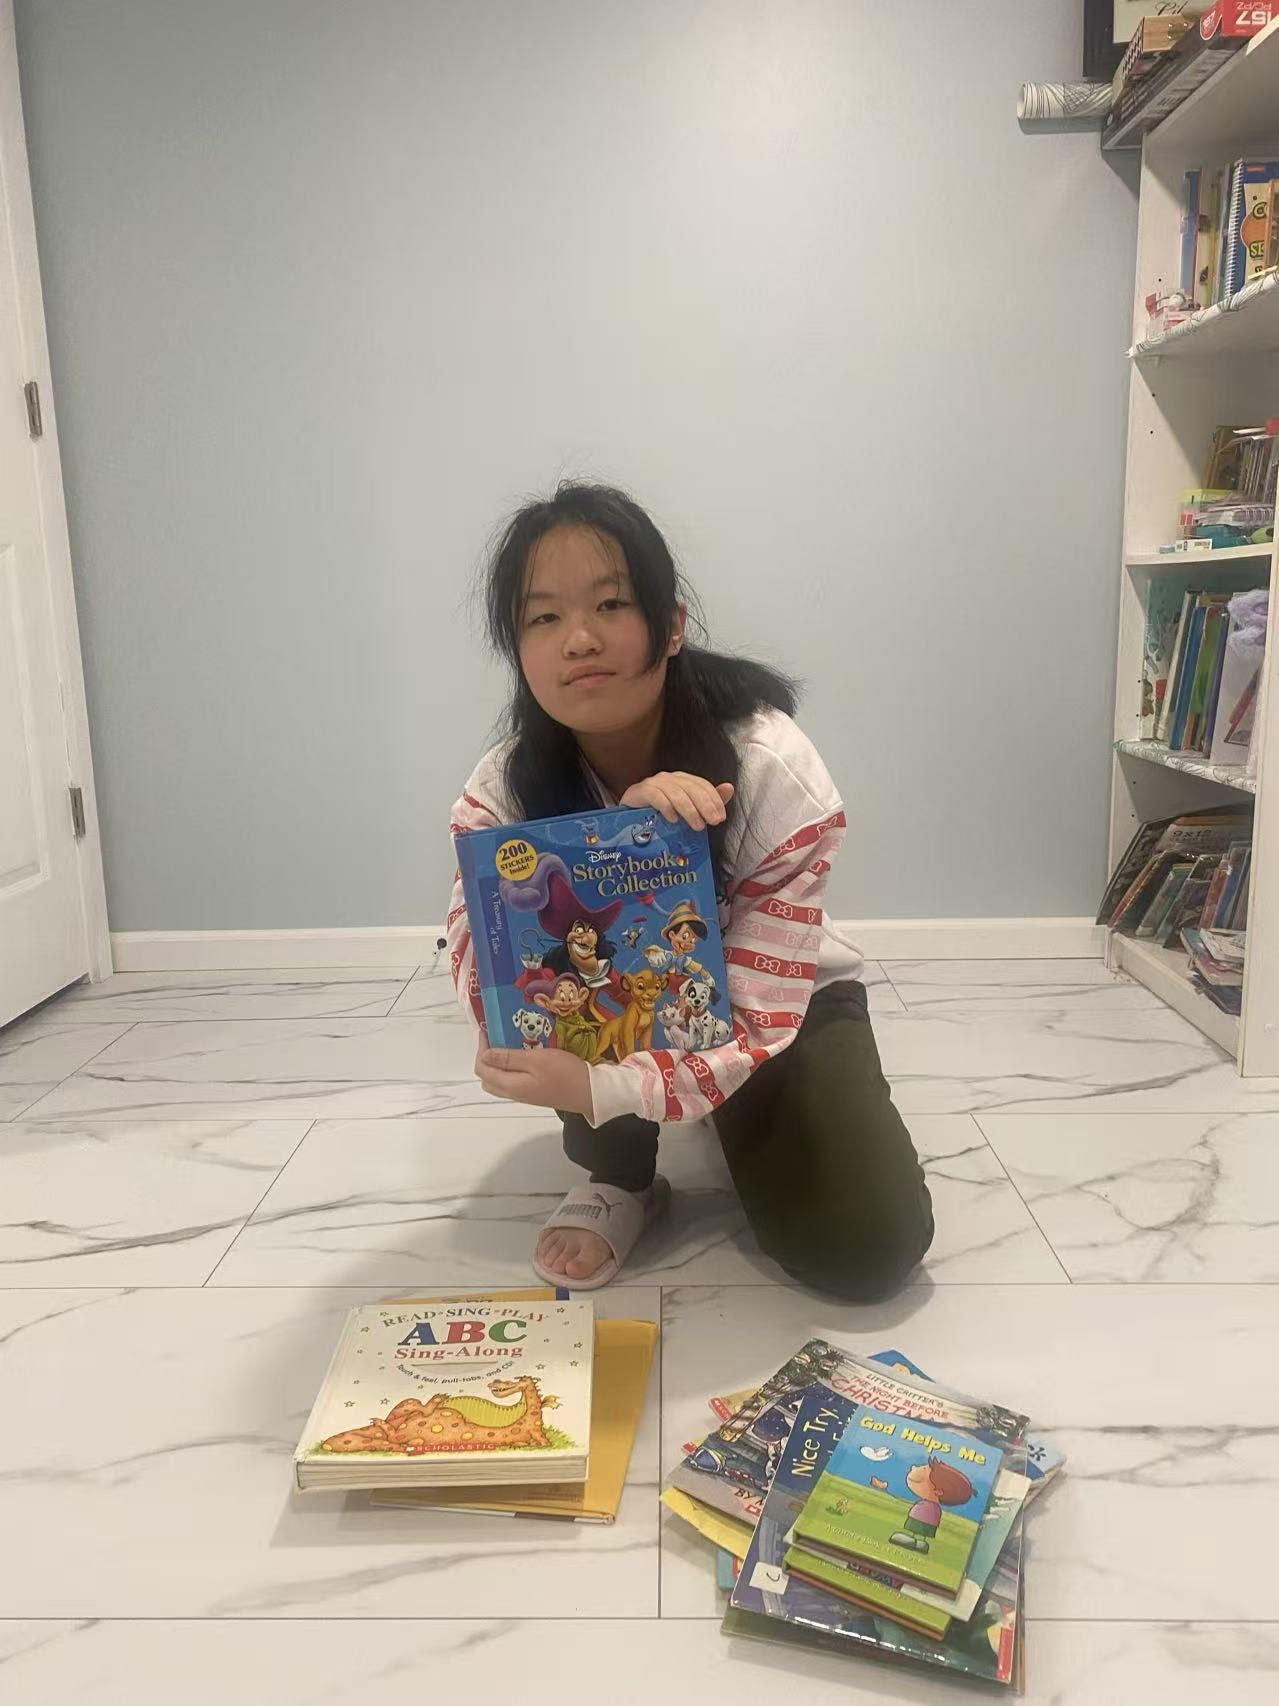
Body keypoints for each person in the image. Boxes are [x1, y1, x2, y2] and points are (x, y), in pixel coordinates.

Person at [447, 481, 933, 1299]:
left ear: (670, 625)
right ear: (517, 649)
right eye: (543, 617)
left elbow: (762, 1000)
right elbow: (482, 956)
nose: (578, 640)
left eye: (610, 604)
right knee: (564, 974)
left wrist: (666, 853)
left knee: (867, 1249)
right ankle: (619, 1175)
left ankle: (726, 1110)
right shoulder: (501, 791)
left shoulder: (770, 765)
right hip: (618, 1008)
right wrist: (612, 846)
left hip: (775, 1003)